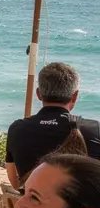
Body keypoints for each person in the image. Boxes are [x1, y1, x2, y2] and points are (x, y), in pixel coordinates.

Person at [5, 61, 100, 190]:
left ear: (39, 94)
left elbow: (15, 183)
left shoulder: (17, 129)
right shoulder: (93, 129)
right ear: (75, 96)